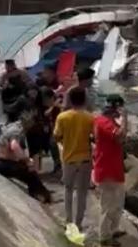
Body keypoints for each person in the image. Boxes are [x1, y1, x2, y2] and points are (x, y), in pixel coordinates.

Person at [54, 87, 95, 230]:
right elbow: (94, 137)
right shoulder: (90, 117)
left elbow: (57, 136)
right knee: (82, 192)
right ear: (84, 99)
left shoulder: (62, 117)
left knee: (68, 189)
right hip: (85, 159)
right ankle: (78, 223)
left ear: (70, 99)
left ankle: (68, 221)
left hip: (68, 159)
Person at [94, 97, 128, 246]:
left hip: (115, 168)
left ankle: (113, 229)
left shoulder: (111, 122)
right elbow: (119, 135)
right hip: (107, 169)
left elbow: (120, 139)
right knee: (108, 204)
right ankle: (104, 236)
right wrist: (125, 118)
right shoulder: (103, 122)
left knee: (118, 202)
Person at [0, 117, 51, 203]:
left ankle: (40, 192)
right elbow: (14, 146)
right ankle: (43, 195)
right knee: (29, 172)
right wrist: (26, 160)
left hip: (2, 162)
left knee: (28, 171)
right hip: (1, 163)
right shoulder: (16, 131)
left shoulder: (15, 128)